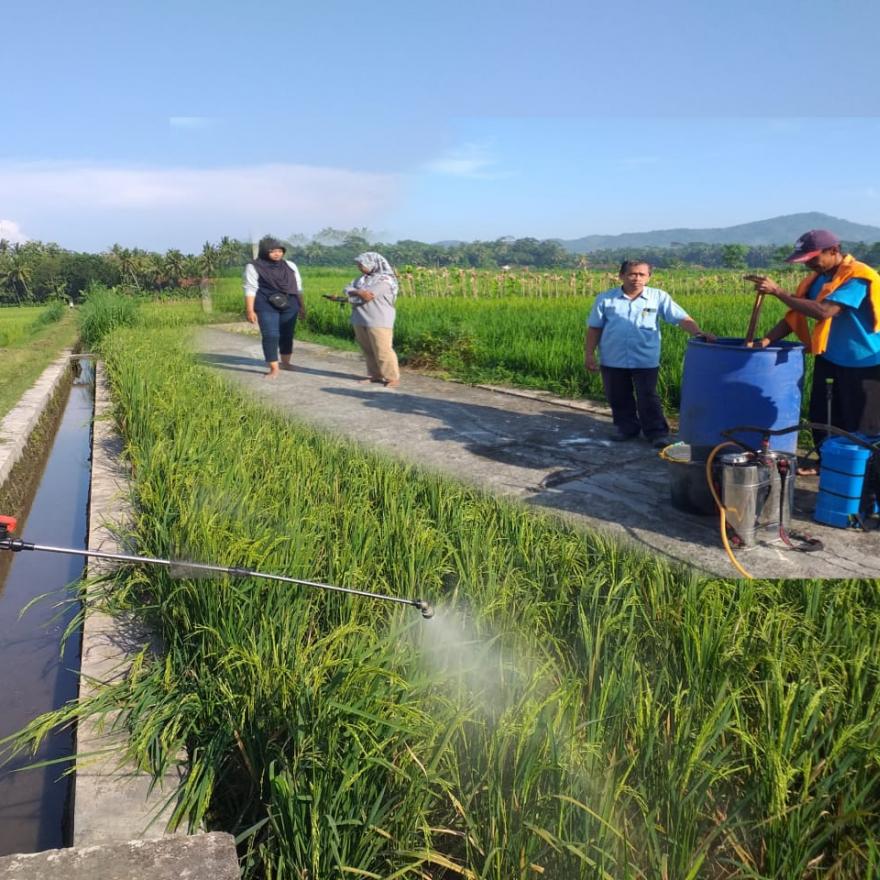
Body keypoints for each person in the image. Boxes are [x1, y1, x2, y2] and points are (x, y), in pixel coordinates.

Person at [747, 229, 880, 475]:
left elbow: (823, 311)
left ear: (834, 251)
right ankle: (826, 463)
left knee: (861, 424)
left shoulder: (858, 277)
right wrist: (766, 340)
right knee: (823, 416)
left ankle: (862, 476)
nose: (808, 264)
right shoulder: (817, 279)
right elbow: (795, 315)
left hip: (865, 363)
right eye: (805, 260)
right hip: (829, 357)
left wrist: (779, 292)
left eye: (812, 258)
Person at [585, 260, 715, 449]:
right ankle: (626, 428)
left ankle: (656, 432)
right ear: (621, 276)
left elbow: (681, 318)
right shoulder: (606, 299)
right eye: (632, 274)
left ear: (648, 277)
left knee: (648, 396)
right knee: (618, 396)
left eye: (641, 274)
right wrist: (589, 354)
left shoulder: (658, 297)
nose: (636, 278)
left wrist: (698, 332)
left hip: (645, 358)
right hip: (613, 357)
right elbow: (594, 328)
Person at [243, 237, 306, 379]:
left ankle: (286, 363)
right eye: (272, 251)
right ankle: (274, 368)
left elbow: (298, 288)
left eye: (280, 251)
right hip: (265, 303)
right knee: (271, 335)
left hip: (290, 303)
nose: (277, 254)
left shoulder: (290, 265)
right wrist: (250, 310)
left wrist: (302, 306)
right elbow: (250, 289)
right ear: (265, 252)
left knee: (287, 334)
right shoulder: (254, 266)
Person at [340, 251, 401, 387]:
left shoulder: (385, 280)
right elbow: (346, 288)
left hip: (378, 319)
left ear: (372, 263)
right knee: (368, 349)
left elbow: (368, 296)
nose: (359, 267)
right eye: (358, 264)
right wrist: (358, 291)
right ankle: (375, 375)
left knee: (383, 349)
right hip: (359, 317)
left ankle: (392, 377)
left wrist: (355, 292)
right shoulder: (362, 279)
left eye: (361, 264)